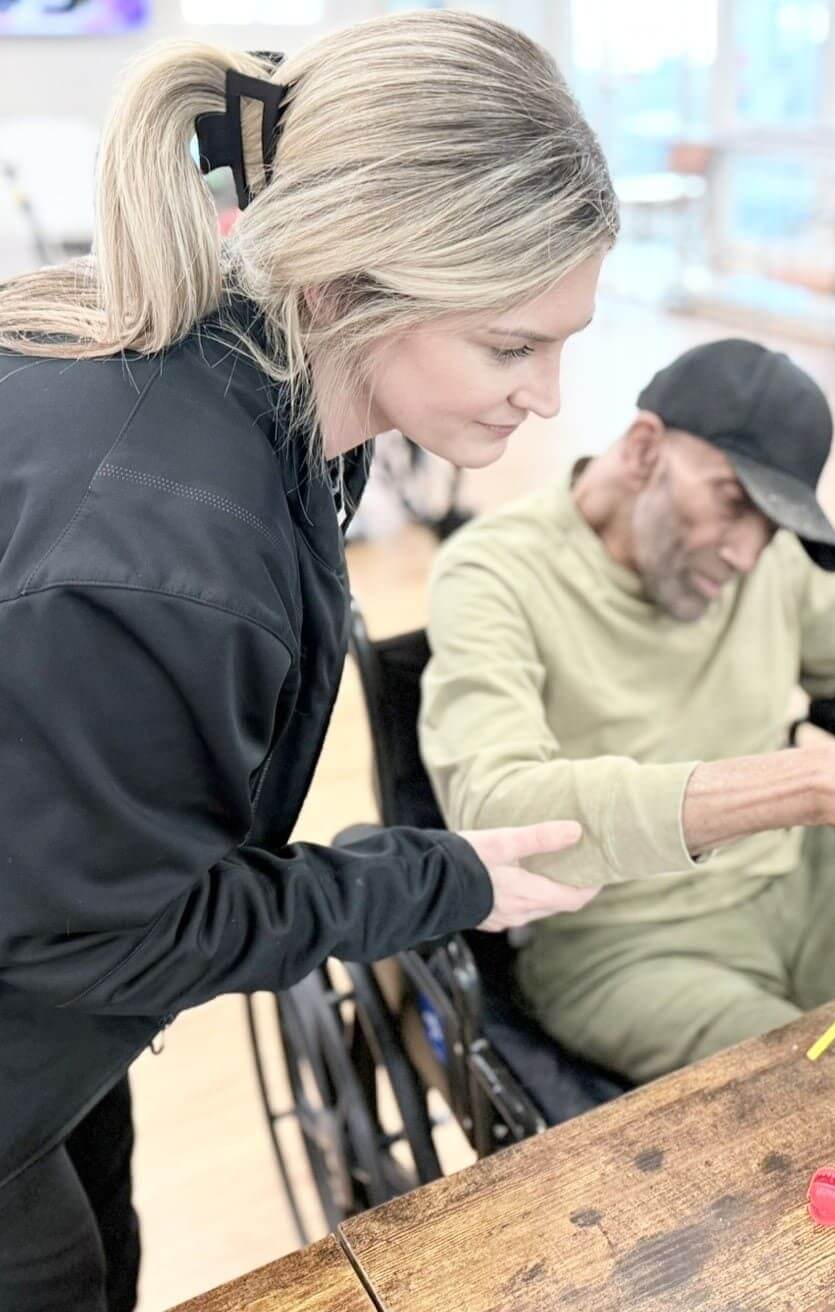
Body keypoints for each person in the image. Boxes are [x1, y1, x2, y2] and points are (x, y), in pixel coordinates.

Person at [0, 13, 616, 1311]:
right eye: (512, 345)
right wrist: (418, 883)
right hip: (41, 983)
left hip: (52, 982)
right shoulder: (171, 556)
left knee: (103, 1227)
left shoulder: (240, 387)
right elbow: (104, 940)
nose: (550, 397)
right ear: (340, 286)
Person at [420, 338, 835, 1087]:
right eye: (732, 502)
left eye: (771, 526)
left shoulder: (771, 557)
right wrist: (811, 782)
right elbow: (496, 810)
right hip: (626, 942)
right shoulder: (494, 573)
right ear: (644, 447)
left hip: (804, 895)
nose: (747, 553)